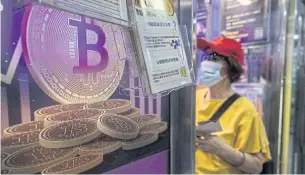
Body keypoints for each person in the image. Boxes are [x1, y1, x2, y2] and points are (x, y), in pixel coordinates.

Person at [195, 37, 271, 174]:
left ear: (230, 67)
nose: (206, 62)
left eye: (214, 57)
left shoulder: (245, 110)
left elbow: (256, 167)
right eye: (205, 56)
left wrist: (222, 149)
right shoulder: (194, 96)